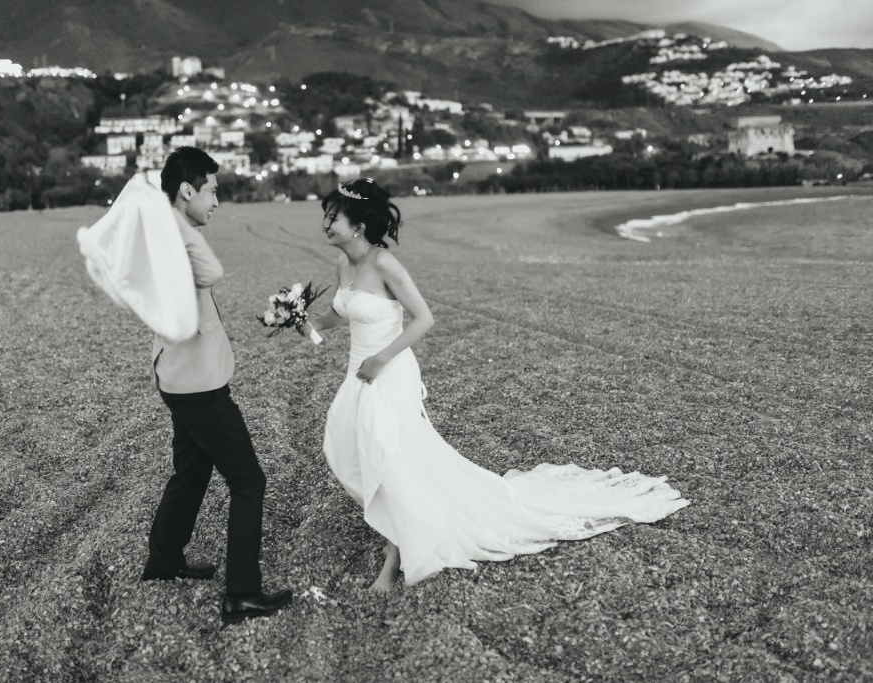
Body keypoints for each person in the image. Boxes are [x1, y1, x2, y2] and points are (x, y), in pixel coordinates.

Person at [301, 177, 690, 594]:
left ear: (358, 226)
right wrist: (304, 321)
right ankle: (397, 522)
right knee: (347, 447)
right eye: (327, 216)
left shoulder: (384, 263)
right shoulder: (343, 264)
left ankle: (396, 551)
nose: (326, 224)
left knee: (390, 455)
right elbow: (345, 311)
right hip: (358, 372)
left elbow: (424, 318)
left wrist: (381, 359)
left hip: (389, 369)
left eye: (334, 217)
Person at [142, 147, 291, 624]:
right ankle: (242, 593)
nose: (217, 201)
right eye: (212, 191)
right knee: (249, 482)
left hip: (180, 376)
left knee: (191, 471)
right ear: (187, 190)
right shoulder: (173, 235)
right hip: (197, 384)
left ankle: (164, 561)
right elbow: (205, 278)